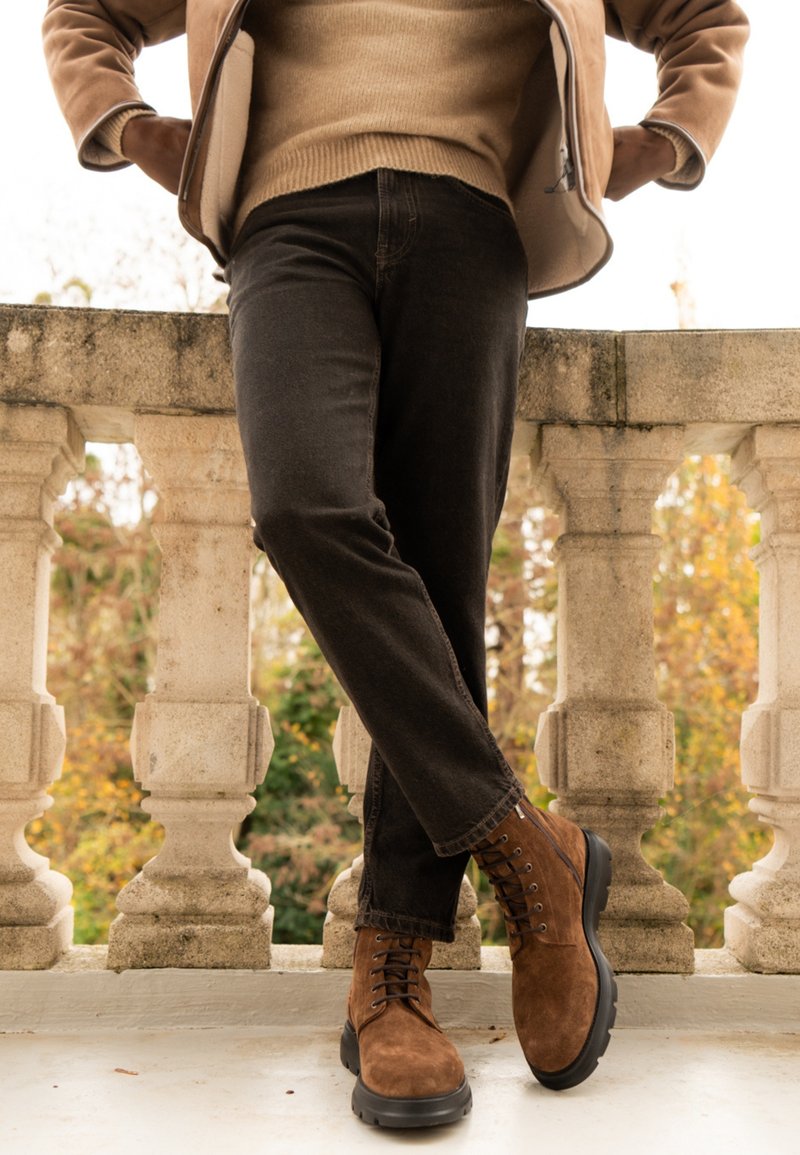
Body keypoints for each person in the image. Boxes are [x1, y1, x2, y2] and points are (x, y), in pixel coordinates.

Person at [44, 0, 749, 1130]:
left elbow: (702, 21)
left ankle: (393, 979)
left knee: (439, 581)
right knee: (305, 506)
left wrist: (665, 138)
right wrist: (129, 124)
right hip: (287, 224)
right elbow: (84, 17)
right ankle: (530, 852)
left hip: (473, 226)